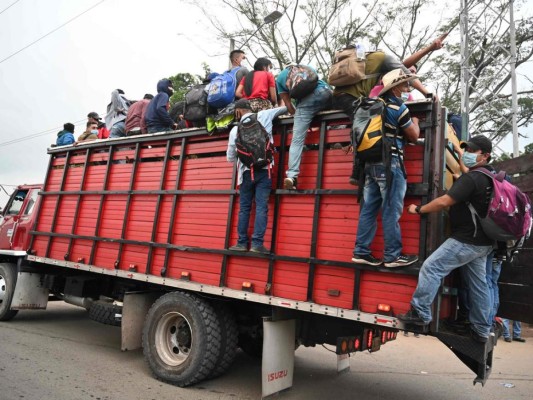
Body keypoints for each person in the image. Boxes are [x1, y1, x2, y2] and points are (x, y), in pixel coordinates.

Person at [399, 135, 495, 343]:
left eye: (473, 151)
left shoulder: (473, 179)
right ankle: (481, 329)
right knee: (479, 285)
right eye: (467, 150)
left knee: (431, 268)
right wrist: (462, 155)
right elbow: (466, 171)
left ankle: (420, 313)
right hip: (483, 242)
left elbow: (444, 201)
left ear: (485, 155)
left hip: (466, 240)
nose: (468, 154)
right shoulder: (489, 176)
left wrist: (419, 209)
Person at [351, 69, 420, 268]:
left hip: (368, 164)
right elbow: (413, 136)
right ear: (396, 87)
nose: (408, 88)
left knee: (369, 209)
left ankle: (361, 252)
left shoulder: (371, 106)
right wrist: (415, 121)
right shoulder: (398, 108)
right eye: (406, 85)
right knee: (391, 209)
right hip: (391, 164)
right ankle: (392, 256)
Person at [331, 34, 446, 117]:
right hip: (352, 100)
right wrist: (426, 93)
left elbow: (403, 66)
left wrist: (430, 48)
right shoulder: (382, 58)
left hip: (336, 98)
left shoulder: (364, 61)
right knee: (372, 123)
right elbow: (405, 72)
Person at [227, 99, 287, 254]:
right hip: (264, 170)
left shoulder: (235, 130)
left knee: (245, 208)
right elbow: (285, 108)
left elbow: (230, 157)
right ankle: (257, 244)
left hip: (246, 173)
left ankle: (241, 243)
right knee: (261, 207)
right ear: (250, 108)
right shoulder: (264, 115)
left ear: (238, 111)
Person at [276, 64, 332, 190]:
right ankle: (341, 145)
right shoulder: (305, 67)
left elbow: (289, 106)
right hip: (325, 92)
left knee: (297, 140)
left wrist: (300, 116)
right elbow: (316, 79)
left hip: (307, 103)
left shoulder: (280, 79)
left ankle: (292, 175)